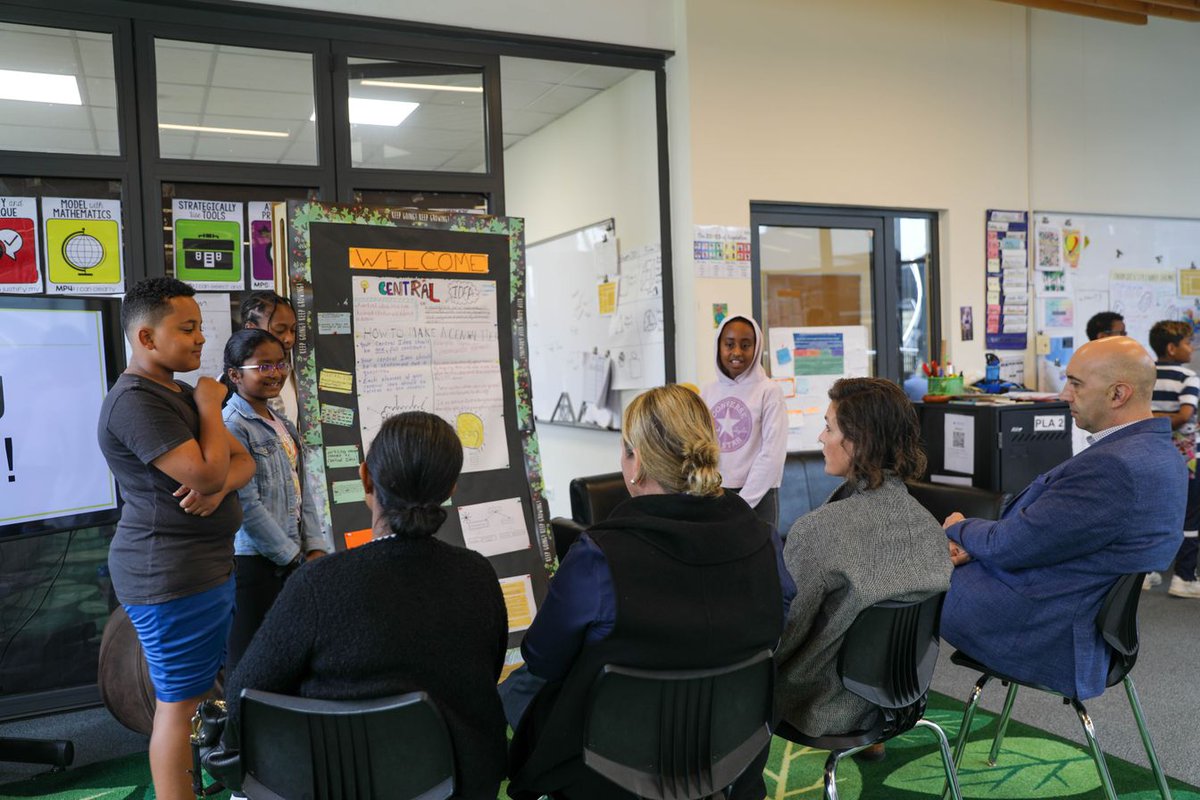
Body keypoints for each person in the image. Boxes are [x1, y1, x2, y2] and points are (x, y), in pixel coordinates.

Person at [506, 384, 795, 800]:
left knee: (517, 688)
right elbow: (776, 625)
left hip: (608, 769)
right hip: (729, 756)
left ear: (636, 463)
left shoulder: (599, 557)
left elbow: (543, 657)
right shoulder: (765, 542)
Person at [223, 411, 508, 800]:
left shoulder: (319, 583)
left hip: (333, 785)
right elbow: (487, 673)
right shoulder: (478, 575)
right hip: (459, 784)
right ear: (451, 489)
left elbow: (244, 697)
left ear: (365, 478)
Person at [941, 336, 1186, 700]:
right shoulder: (1161, 454)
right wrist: (978, 547)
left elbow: (1011, 545)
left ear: (1118, 394)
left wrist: (958, 528)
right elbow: (1052, 537)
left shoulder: (1113, 467)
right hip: (1075, 607)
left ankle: (877, 710)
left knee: (894, 582)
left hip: (1045, 624)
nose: (1063, 395)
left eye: (1075, 384)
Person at [96, 277, 255, 800]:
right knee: (178, 704)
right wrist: (211, 404)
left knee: (194, 697)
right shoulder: (134, 402)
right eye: (186, 329)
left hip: (203, 567)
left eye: (200, 329)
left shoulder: (177, 391)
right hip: (168, 573)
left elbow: (242, 462)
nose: (200, 340)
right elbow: (208, 470)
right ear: (145, 338)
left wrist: (213, 492)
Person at [775, 377, 952, 743]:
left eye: (828, 427)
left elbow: (784, 636)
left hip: (821, 706)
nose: (821, 438)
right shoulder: (928, 526)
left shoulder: (817, 531)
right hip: (904, 699)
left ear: (858, 441)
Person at [220, 329, 333, 672]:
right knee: (250, 662)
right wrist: (291, 556)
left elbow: (304, 489)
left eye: (280, 364)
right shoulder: (231, 425)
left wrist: (313, 546)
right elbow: (246, 505)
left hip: (292, 555)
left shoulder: (280, 421)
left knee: (290, 656)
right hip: (254, 562)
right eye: (264, 366)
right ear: (235, 374)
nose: (276, 373)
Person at [701, 314, 788, 529]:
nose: (737, 352)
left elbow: (772, 455)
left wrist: (743, 502)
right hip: (715, 493)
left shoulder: (769, 391)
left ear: (756, 348)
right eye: (729, 344)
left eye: (746, 345)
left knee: (759, 559)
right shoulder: (707, 392)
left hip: (759, 495)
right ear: (718, 346)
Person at [1146, 320, 1200, 596]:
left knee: (1153, 513)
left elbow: (1140, 415)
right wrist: (1170, 419)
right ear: (1171, 347)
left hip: (1150, 452)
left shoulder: (1145, 375)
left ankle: (1147, 571)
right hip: (1184, 458)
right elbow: (1183, 417)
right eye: (1188, 343)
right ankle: (1184, 577)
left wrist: (1152, 419)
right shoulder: (1189, 377)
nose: (1192, 348)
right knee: (1190, 516)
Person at [240, 291, 299, 423]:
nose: (289, 338)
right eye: (279, 330)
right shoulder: (235, 379)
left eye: (293, 330)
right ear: (251, 328)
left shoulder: (292, 375)